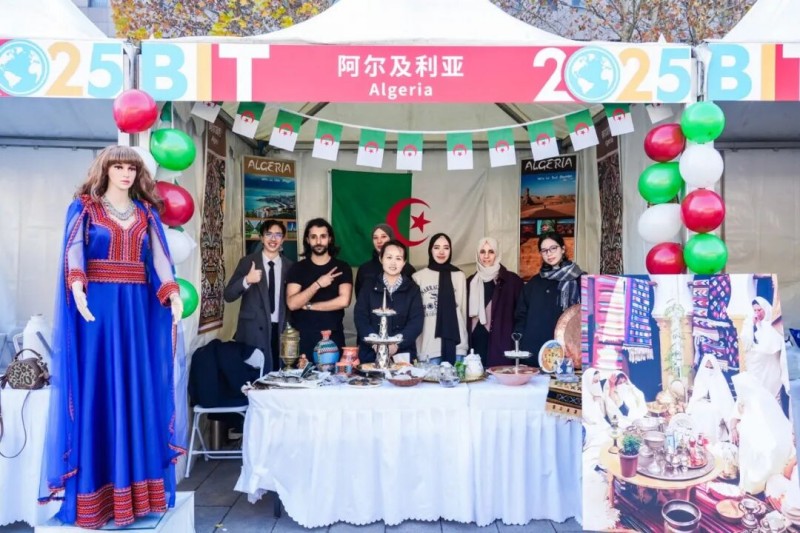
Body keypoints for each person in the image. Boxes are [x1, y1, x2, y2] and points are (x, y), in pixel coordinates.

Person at [43, 146, 184, 528]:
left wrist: (172, 292)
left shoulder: (146, 213)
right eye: (118, 166)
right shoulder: (85, 208)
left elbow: (159, 259)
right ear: (104, 170)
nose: (125, 173)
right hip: (99, 314)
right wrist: (77, 287)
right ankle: (98, 495)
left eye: (131, 168)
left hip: (136, 313)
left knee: (136, 390)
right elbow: (74, 253)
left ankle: (138, 496)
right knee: (100, 391)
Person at [224, 219, 293, 372]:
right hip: (253, 330)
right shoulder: (247, 262)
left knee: (279, 372)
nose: (273, 239)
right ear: (261, 238)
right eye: (268, 234)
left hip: (281, 328)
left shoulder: (290, 266)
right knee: (254, 374)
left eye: (278, 235)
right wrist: (247, 280)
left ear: (283, 239)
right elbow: (228, 295)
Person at [286, 218, 353, 359]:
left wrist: (310, 306)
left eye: (323, 236)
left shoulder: (342, 267)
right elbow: (292, 304)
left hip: (333, 335)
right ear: (307, 240)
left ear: (330, 239)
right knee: (302, 373)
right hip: (304, 336)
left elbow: (344, 301)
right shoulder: (297, 268)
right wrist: (318, 284)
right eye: (313, 237)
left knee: (334, 374)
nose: (318, 241)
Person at [514, 232, 583, 363]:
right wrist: (521, 342)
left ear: (563, 249)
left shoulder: (580, 280)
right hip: (535, 351)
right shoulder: (534, 283)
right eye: (544, 250)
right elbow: (521, 316)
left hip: (568, 352)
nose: (549, 254)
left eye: (553, 248)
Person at [354, 240, 424, 363]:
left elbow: (416, 322)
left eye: (398, 258)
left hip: (402, 356)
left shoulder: (413, 289)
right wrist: (375, 343)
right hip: (371, 355)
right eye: (389, 257)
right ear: (381, 259)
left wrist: (397, 345)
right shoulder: (368, 286)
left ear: (404, 262)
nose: (393, 262)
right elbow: (360, 317)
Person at [730, 372, 794, 494]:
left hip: (766, 434)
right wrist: (733, 429)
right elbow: (734, 416)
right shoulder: (743, 398)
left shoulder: (761, 397)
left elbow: (763, 424)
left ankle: (754, 482)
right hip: (752, 432)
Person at [466, 237, 523, 367]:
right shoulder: (470, 281)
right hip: (475, 345)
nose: (486, 256)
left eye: (491, 252)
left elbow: (520, 315)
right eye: (482, 252)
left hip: (500, 345)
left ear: (497, 254)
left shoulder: (512, 281)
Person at [412, 233, 468, 364]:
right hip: (429, 347)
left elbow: (463, 311)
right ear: (430, 250)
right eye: (436, 247)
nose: (441, 252)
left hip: (457, 346)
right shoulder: (418, 277)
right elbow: (416, 316)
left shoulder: (459, 276)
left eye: (446, 248)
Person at [740, 296, 789, 403]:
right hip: (757, 369)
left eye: (759, 310)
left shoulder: (773, 325)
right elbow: (747, 344)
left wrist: (757, 350)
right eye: (755, 310)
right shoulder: (752, 324)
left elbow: (773, 347)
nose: (757, 313)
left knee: (772, 397)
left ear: (765, 309)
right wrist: (751, 325)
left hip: (771, 367)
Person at [354, 223, 415, 300]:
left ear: (391, 238)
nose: (379, 241)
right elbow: (360, 299)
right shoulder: (364, 269)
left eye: (383, 236)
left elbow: (413, 298)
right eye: (375, 238)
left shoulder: (407, 269)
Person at [686, 354, 735, 444]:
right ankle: (697, 440)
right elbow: (695, 397)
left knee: (712, 411)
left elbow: (725, 401)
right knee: (697, 410)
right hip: (701, 405)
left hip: (715, 408)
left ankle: (712, 442)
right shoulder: (700, 379)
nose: (708, 370)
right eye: (707, 367)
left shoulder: (719, 380)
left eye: (711, 368)